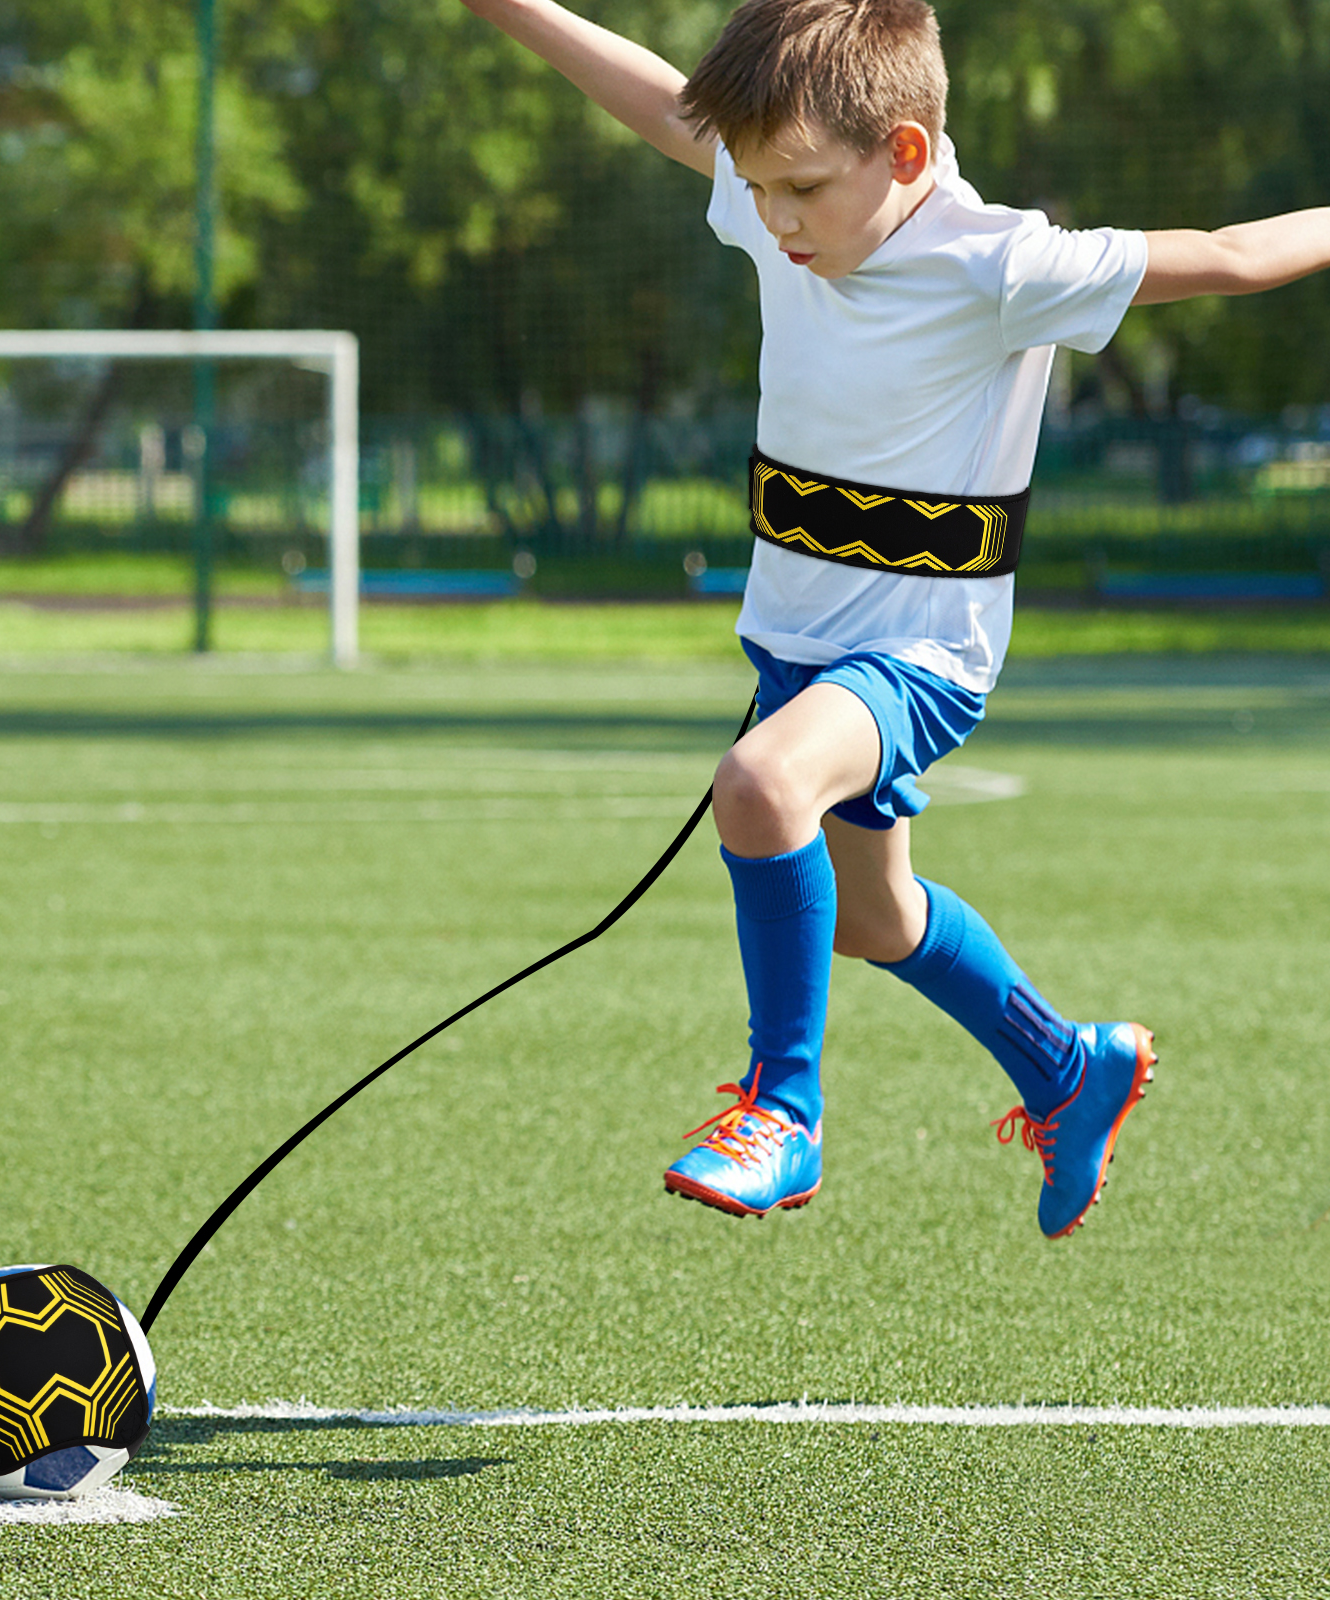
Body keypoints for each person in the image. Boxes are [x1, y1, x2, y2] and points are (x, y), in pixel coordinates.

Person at [460, 0, 1330, 1237]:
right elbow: (667, 104)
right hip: (797, 642)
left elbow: (1234, 254)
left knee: (759, 787)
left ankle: (784, 1108)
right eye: (757, 187)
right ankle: (1068, 1070)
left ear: (906, 154)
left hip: (917, 659)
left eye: (799, 189)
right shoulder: (794, 210)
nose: (770, 217)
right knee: (874, 917)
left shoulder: (1004, 269)